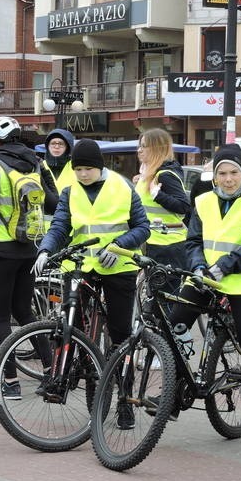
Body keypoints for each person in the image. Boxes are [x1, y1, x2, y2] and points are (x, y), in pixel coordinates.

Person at [168, 144, 241, 452]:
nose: (228, 179)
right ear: (213, 175)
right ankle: (176, 389)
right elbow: (192, 241)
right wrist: (200, 266)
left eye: (234, 173)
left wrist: (225, 267)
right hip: (206, 276)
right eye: (221, 173)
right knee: (173, 325)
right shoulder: (202, 200)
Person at [34, 138, 149, 425]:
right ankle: (83, 379)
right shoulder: (70, 191)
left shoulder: (123, 187)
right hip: (81, 266)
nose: (83, 174)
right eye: (78, 169)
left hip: (118, 267)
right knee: (73, 327)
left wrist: (119, 245)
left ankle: (124, 401)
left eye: (88, 169)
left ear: (100, 167)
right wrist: (46, 248)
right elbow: (60, 225)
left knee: (121, 336)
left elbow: (142, 227)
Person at [0, 116, 59, 400]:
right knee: (27, 314)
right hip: (28, 248)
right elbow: (53, 201)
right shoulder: (36, 162)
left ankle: (11, 382)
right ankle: (51, 372)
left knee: (1, 317)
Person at [134, 128, 190, 292]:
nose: (139, 150)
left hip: (167, 246)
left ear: (157, 148)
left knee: (165, 300)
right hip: (152, 243)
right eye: (140, 145)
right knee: (153, 297)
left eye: (144, 146)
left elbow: (183, 206)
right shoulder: (148, 174)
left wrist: (157, 195)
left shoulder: (165, 175)